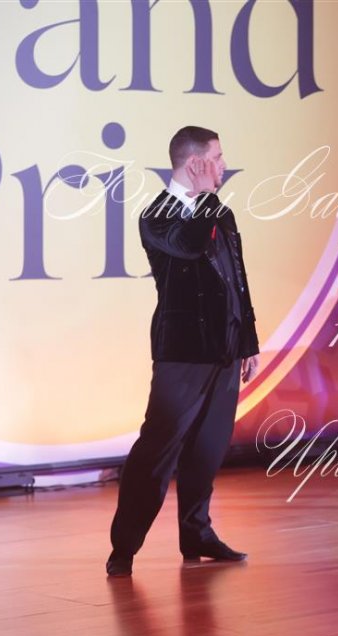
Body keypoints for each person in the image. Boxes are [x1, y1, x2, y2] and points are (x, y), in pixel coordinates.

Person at [106, 126, 260, 577]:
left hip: (225, 349)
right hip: (182, 355)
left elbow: (237, 278)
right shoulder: (156, 215)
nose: (224, 166)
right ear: (196, 163)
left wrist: (248, 340)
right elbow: (190, 245)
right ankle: (124, 546)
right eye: (218, 157)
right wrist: (207, 198)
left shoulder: (221, 213)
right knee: (157, 449)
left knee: (208, 450)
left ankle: (197, 534)